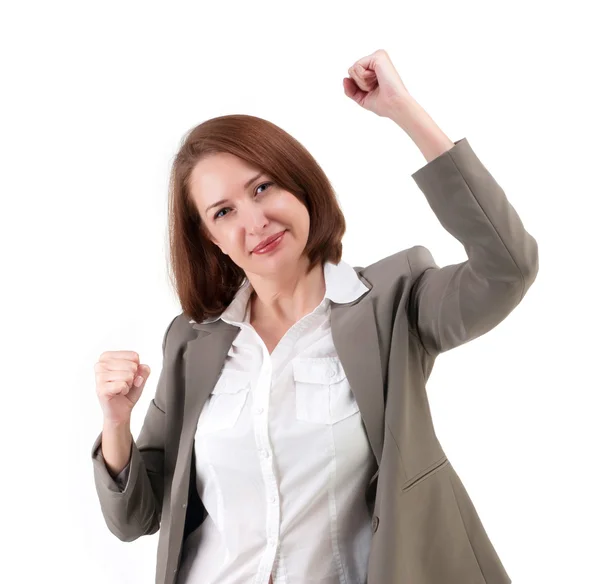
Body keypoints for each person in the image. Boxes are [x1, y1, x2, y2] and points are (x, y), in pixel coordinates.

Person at [91, 49, 538, 584]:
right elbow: (134, 517)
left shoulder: (392, 304)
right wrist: (116, 422)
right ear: (210, 237)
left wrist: (403, 111)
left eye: (263, 188)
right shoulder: (192, 341)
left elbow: (508, 268)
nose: (254, 221)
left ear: (298, 183)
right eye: (224, 212)